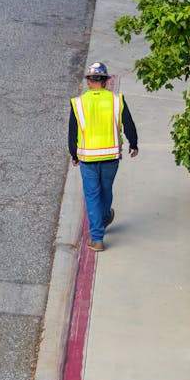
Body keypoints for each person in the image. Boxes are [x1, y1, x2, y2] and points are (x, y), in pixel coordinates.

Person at [68, 61, 138, 252]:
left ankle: (97, 238)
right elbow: (129, 124)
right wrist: (134, 144)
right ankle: (105, 216)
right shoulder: (117, 100)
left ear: (89, 81)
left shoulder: (79, 103)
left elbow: (72, 132)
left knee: (92, 194)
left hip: (88, 159)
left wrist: (74, 154)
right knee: (106, 189)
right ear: (106, 81)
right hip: (110, 157)